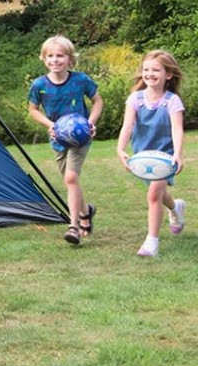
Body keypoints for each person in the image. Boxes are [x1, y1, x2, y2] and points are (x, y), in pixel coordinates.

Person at [27, 35, 104, 245]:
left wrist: (90, 122)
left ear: (70, 59)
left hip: (80, 138)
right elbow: (33, 110)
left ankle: (74, 226)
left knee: (70, 178)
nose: (55, 60)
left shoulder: (81, 80)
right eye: (50, 56)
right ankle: (86, 211)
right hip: (58, 139)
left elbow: (97, 101)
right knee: (71, 181)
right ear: (44, 59)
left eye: (60, 55)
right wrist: (50, 125)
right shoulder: (39, 85)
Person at [117, 49, 186, 258]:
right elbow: (127, 126)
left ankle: (151, 243)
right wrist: (120, 148)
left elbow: (177, 129)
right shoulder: (135, 99)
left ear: (168, 75)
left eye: (156, 70)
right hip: (143, 157)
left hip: (164, 156)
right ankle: (176, 208)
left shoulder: (172, 101)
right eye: (146, 69)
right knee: (159, 194)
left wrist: (178, 154)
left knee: (154, 194)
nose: (150, 74)